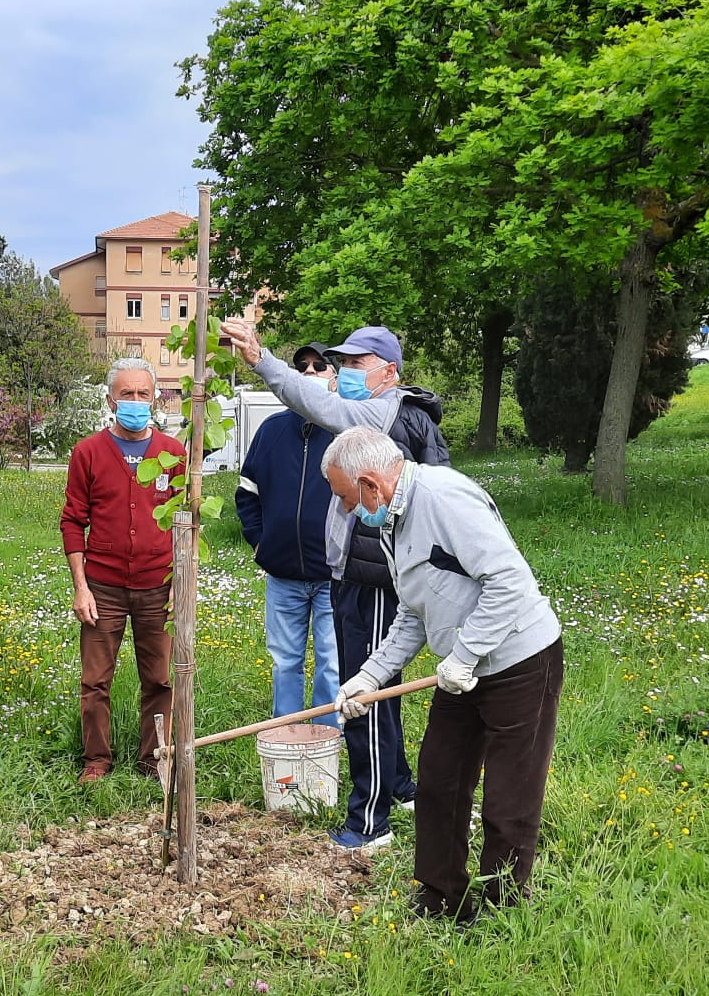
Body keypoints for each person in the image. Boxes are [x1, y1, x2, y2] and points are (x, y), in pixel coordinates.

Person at [220, 321, 451, 852]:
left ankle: (370, 821)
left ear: (388, 373)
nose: (343, 374)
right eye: (340, 363)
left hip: (371, 577)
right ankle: (399, 784)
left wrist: (261, 359)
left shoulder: (384, 411)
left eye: (354, 365)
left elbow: (317, 404)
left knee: (360, 692)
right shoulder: (409, 414)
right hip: (368, 573)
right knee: (379, 685)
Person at [324, 427, 564, 922]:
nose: (347, 510)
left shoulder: (444, 499)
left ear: (371, 484)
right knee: (439, 783)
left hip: (520, 661)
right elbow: (414, 613)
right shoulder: (390, 520)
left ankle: (504, 912)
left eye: (347, 498)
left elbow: (508, 583)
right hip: (461, 670)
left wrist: (465, 655)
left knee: (509, 797)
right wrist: (370, 677)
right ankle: (440, 900)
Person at [60, 357, 185, 781]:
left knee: (160, 680)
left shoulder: (172, 454)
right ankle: (97, 759)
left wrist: (179, 584)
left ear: (155, 398)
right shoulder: (89, 452)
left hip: (158, 586)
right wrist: (82, 587)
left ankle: (155, 759)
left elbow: (186, 521)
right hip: (104, 586)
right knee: (95, 680)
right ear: (111, 399)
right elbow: (73, 520)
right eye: (126, 394)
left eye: (143, 394)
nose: (135, 401)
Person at [236, 343, 340, 722]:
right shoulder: (272, 430)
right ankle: (287, 733)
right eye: (302, 367)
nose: (310, 372)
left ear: (335, 377)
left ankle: (328, 735)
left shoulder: (346, 430)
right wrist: (262, 543)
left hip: (334, 577)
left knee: (331, 662)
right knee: (284, 663)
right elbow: (247, 494)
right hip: (283, 577)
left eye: (320, 366)